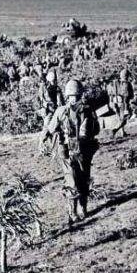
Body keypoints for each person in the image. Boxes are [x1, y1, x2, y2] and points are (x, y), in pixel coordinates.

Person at [43, 79, 100, 223]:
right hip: (84, 151)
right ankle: (83, 209)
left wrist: (44, 139)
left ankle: (73, 212)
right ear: (81, 94)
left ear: (67, 95)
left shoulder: (61, 111)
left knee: (71, 180)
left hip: (68, 152)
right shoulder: (88, 110)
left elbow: (50, 129)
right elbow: (96, 129)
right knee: (84, 178)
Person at [38, 70, 65, 153]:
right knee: (47, 128)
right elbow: (40, 99)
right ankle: (42, 147)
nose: (54, 82)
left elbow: (61, 101)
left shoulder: (57, 88)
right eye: (52, 81)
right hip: (47, 110)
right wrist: (44, 107)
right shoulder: (43, 87)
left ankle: (52, 147)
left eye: (54, 81)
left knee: (55, 128)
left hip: (55, 110)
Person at [111, 69, 134, 137]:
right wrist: (127, 106)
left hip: (116, 102)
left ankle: (123, 132)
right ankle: (115, 129)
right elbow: (127, 95)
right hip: (124, 104)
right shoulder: (126, 84)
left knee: (121, 118)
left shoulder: (117, 83)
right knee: (126, 117)